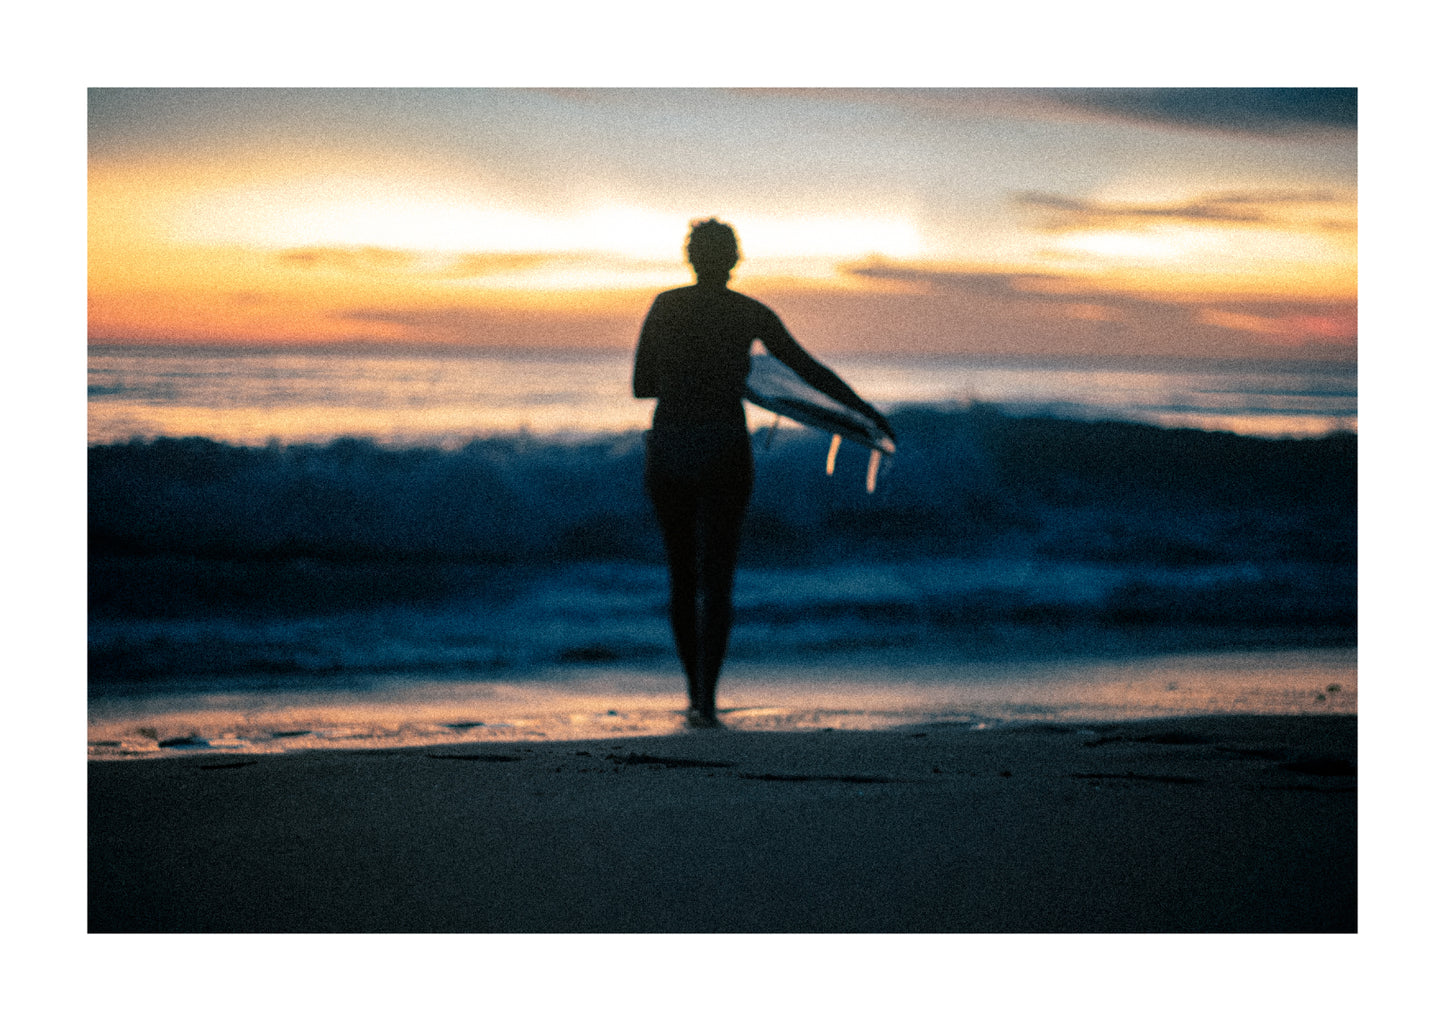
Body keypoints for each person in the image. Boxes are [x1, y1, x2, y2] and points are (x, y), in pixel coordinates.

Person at [633, 218, 894, 728]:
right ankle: (708, 698)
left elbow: (642, 386)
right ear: (734, 259)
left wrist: (688, 375)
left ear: (690, 257)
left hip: (672, 445)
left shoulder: (666, 306)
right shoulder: (749, 312)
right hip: (724, 446)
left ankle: (693, 695)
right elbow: (808, 370)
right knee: (719, 578)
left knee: (683, 576)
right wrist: (863, 412)